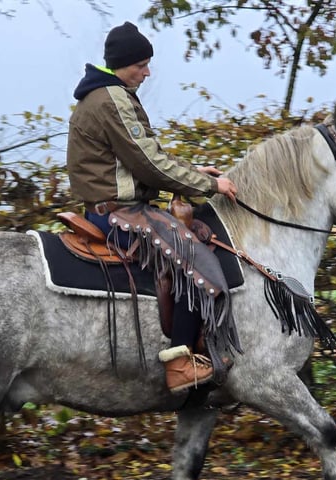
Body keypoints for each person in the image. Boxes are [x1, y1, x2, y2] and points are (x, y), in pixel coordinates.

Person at [66, 21, 240, 393]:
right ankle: (179, 363)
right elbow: (149, 163)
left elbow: (143, 158)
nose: (147, 72)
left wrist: (191, 171)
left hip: (114, 205)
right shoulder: (111, 98)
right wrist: (210, 184)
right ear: (122, 64)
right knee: (191, 258)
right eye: (141, 65)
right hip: (118, 212)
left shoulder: (103, 94)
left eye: (148, 64)